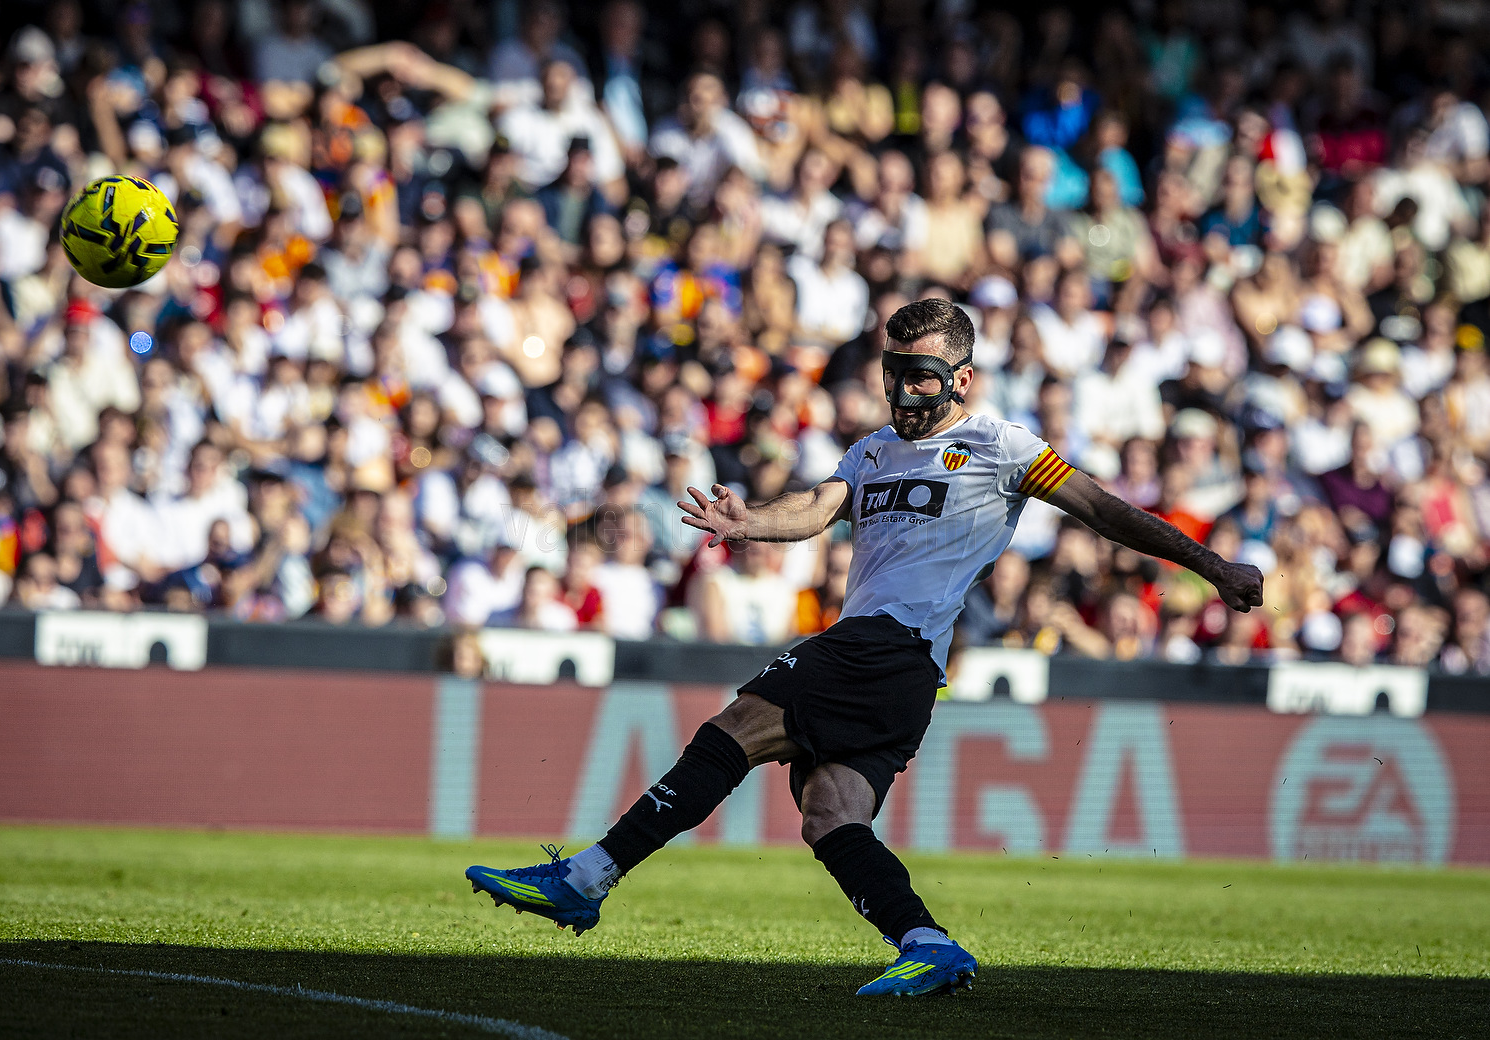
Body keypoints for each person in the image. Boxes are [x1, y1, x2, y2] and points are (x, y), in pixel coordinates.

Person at [465, 299, 1264, 996]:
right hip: (901, 672)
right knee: (829, 815)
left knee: (737, 727)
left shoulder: (1004, 447)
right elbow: (818, 508)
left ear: (961, 379)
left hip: (889, 644)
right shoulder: (872, 450)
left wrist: (1213, 566)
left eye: (922, 377)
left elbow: (1105, 510)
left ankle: (587, 877)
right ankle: (927, 944)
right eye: (894, 373)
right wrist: (750, 523)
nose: (904, 391)